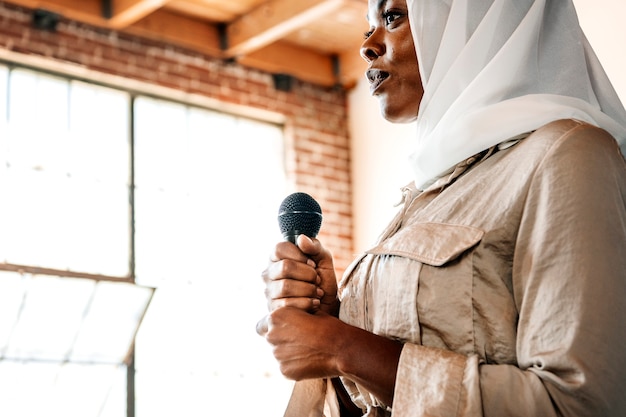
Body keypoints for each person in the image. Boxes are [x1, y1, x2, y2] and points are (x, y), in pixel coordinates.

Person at [256, 0, 626, 415]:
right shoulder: (425, 191)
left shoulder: (569, 154)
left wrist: (344, 348)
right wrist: (333, 319)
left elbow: (581, 404)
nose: (367, 46)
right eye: (368, 26)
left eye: (392, 17)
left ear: (476, 17)